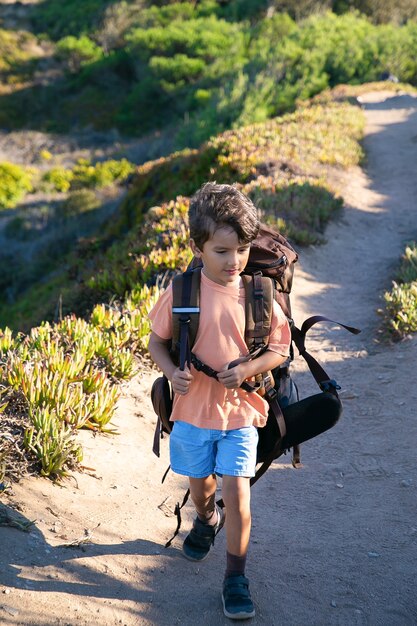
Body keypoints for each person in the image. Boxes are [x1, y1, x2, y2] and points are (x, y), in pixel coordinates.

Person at [148, 182, 291, 620]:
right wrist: (172, 372)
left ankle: (235, 577)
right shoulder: (183, 292)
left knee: (238, 490)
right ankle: (207, 519)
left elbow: (279, 349)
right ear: (198, 247)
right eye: (222, 251)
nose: (235, 261)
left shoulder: (260, 295)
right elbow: (157, 342)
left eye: (243, 249)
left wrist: (248, 369)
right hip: (192, 412)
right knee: (200, 484)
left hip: (241, 413)